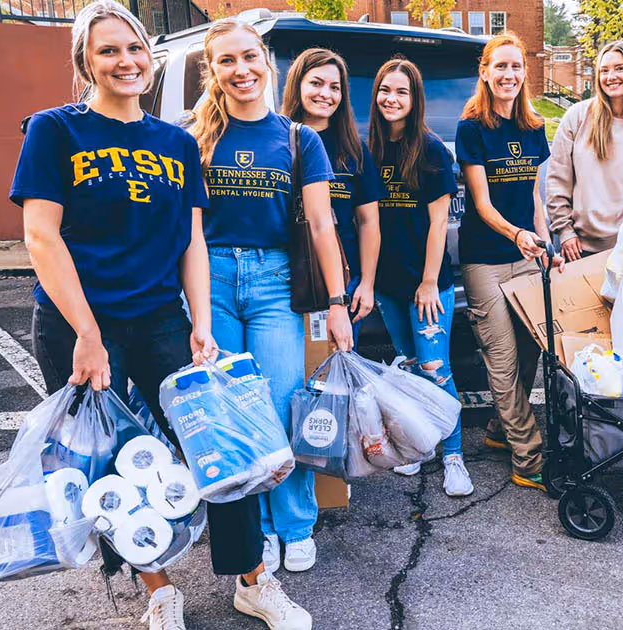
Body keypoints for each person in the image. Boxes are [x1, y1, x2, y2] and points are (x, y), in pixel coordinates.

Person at [11, 4, 305, 630]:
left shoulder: (175, 141)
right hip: (77, 326)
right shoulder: (55, 131)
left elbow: (192, 240)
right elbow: (41, 236)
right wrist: (88, 336)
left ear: (152, 56)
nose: (126, 61)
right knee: (115, 459)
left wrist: (201, 321)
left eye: (135, 49)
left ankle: (253, 579)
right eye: (109, 51)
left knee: (220, 443)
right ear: (84, 62)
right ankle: (157, 587)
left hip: (159, 318)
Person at [186, 18, 354, 626]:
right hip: (212, 280)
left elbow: (321, 224)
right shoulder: (196, 138)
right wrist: (195, 310)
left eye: (250, 57)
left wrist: (338, 303)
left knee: (284, 404)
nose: (242, 69)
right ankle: (253, 534)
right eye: (226, 60)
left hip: (276, 282)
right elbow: (190, 231)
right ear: (214, 71)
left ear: (267, 61)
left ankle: (294, 522)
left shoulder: (296, 139)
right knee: (234, 411)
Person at [455, 31, 559, 492]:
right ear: (486, 72)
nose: (509, 75)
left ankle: (500, 429)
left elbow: (533, 197)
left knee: (535, 346)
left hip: (529, 253)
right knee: (501, 358)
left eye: (516, 66)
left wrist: (546, 241)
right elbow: (482, 204)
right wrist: (518, 235)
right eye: (501, 66)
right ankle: (528, 457)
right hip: (487, 260)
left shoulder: (535, 128)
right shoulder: (472, 128)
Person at [368, 57, 471, 497]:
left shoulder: (430, 149)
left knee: (436, 369)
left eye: (402, 92)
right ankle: (417, 446)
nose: (392, 99)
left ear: (415, 100)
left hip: (426, 285)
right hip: (389, 285)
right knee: (409, 368)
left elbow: (437, 224)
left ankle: (454, 456)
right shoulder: (369, 147)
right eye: (385, 90)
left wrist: (429, 282)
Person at [282, 48, 386, 346]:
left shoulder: (353, 148)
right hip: (285, 277)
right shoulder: (279, 139)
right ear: (297, 85)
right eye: (316, 83)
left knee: (336, 374)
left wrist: (366, 283)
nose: (325, 94)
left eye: (335, 87)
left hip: (343, 279)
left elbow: (369, 222)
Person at [546, 40, 623, 261]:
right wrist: (564, 231)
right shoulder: (577, 117)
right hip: (577, 247)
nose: (611, 76)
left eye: (619, 68)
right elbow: (557, 180)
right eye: (604, 70)